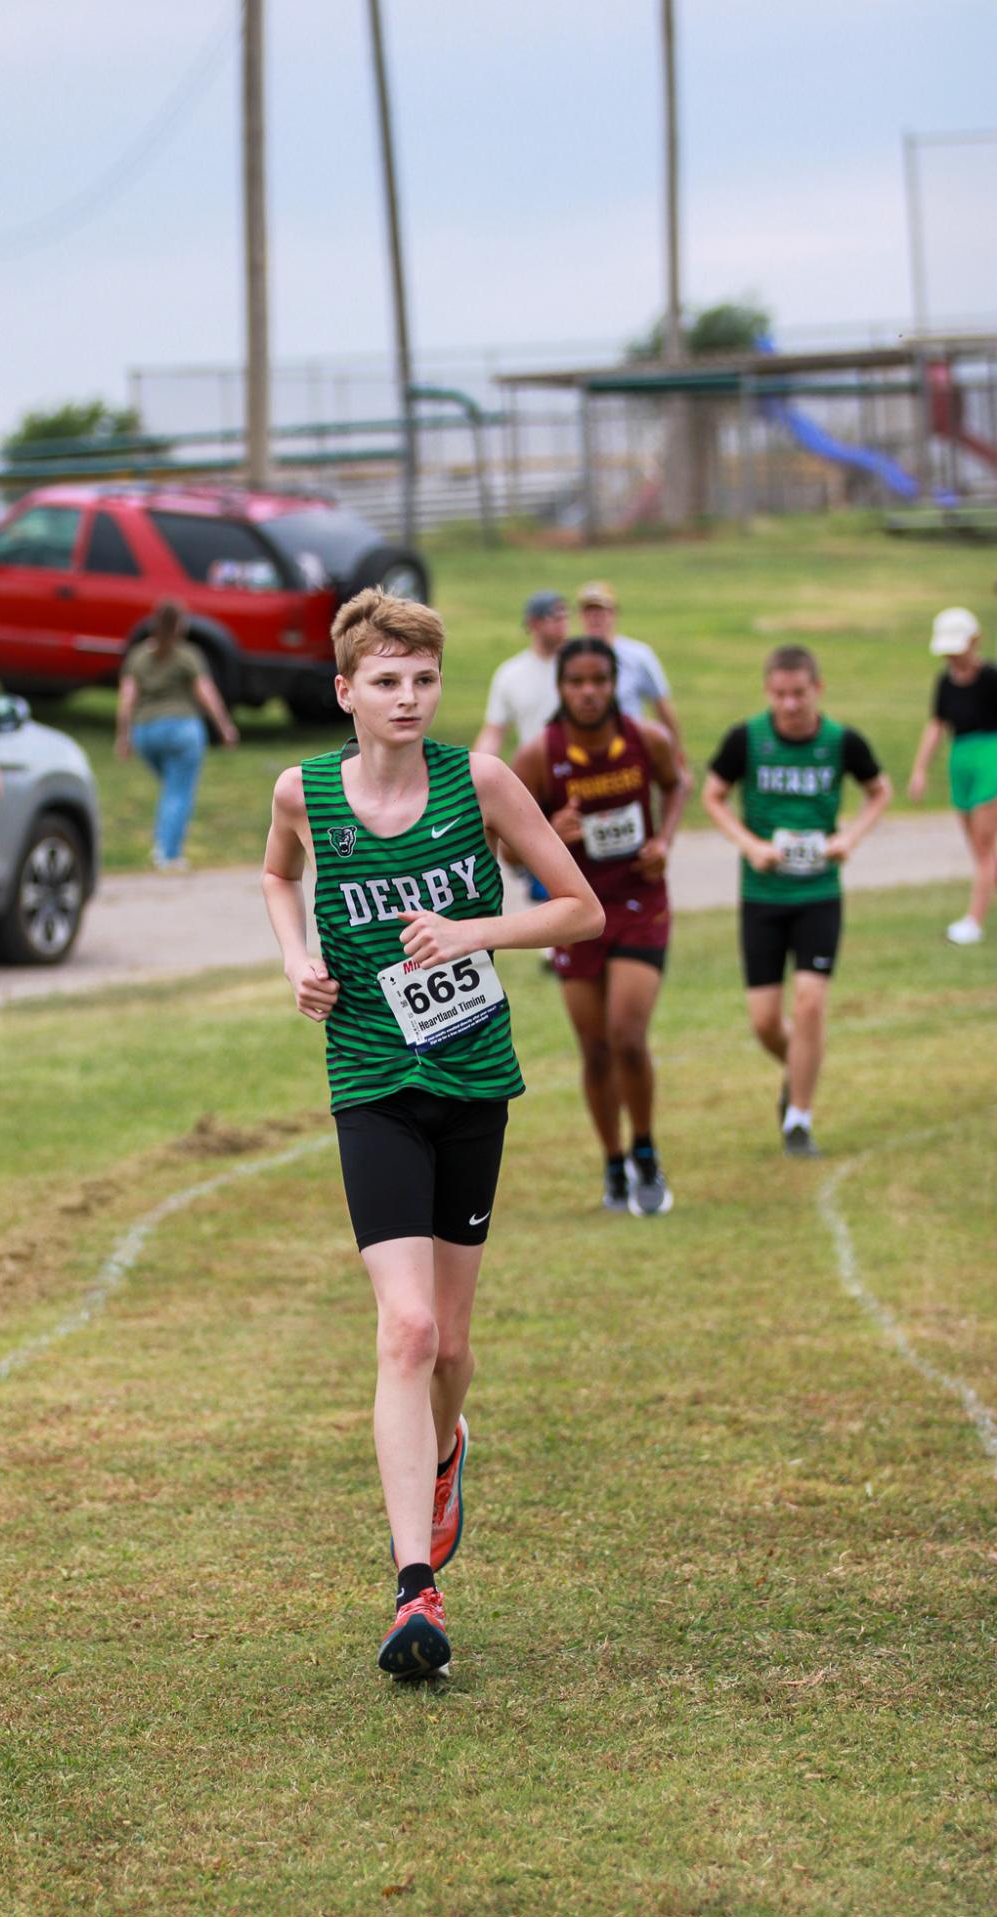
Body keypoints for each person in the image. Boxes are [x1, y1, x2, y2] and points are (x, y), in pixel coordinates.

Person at [262, 588, 602, 1683]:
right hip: (369, 1075)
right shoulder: (303, 791)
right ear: (345, 691)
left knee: (450, 1349)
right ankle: (415, 1591)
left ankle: (449, 1451)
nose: (407, 700)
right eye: (385, 682)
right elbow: (276, 875)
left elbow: (578, 908)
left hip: (471, 1076)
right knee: (403, 1331)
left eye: (422, 681)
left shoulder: (480, 784)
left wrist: (472, 929)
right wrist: (295, 959)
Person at [512, 638, 689, 1215]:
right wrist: (546, 836)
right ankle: (612, 1164)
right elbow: (506, 849)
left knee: (627, 1038)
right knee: (593, 1050)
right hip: (573, 912)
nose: (588, 693)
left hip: (638, 903)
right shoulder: (540, 755)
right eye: (575, 682)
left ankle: (645, 1153)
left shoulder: (647, 740)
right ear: (559, 689)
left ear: (615, 684)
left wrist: (664, 839)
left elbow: (678, 782)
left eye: (599, 681)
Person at [702, 645, 891, 1157]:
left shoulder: (841, 741)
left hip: (818, 894)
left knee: (809, 1004)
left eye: (799, 694)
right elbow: (712, 795)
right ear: (768, 692)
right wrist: (750, 846)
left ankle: (799, 1120)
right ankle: (798, 1068)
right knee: (765, 1021)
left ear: (818, 689)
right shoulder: (747, 739)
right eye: (780, 694)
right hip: (762, 895)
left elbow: (880, 790)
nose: (789, 705)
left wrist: (849, 838)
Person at [116, 600, 238, 870]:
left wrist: (123, 737)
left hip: (145, 732)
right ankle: (168, 853)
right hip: (182, 730)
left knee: (172, 789)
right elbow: (206, 694)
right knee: (179, 791)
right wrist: (224, 726)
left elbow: (126, 700)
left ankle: (162, 841)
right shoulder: (187, 656)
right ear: (180, 625)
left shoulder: (138, 656)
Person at [907, 607, 997, 946]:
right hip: (959, 757)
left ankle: (974, 920)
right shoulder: (945, 681)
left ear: (974, 642)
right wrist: (919, 769)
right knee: (976, 846)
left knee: (985, 845)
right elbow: (936, 724)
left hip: (991, 755)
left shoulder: (990, 678)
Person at [575, 581, 683, 749]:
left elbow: (662, 707)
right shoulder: (570, 660)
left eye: (600, 611)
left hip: (630, 750)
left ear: (614, 614)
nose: (594, 618)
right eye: (589, 612)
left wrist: (677, 753)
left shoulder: (639, 655)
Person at [473, 590, 570, 758]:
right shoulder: (510, 674)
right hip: (537, 769)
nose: (562, 622)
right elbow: (494, 732)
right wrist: (473, 772)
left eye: (565, 615)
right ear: (534, 623)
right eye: (554, 616)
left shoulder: (580, 667)